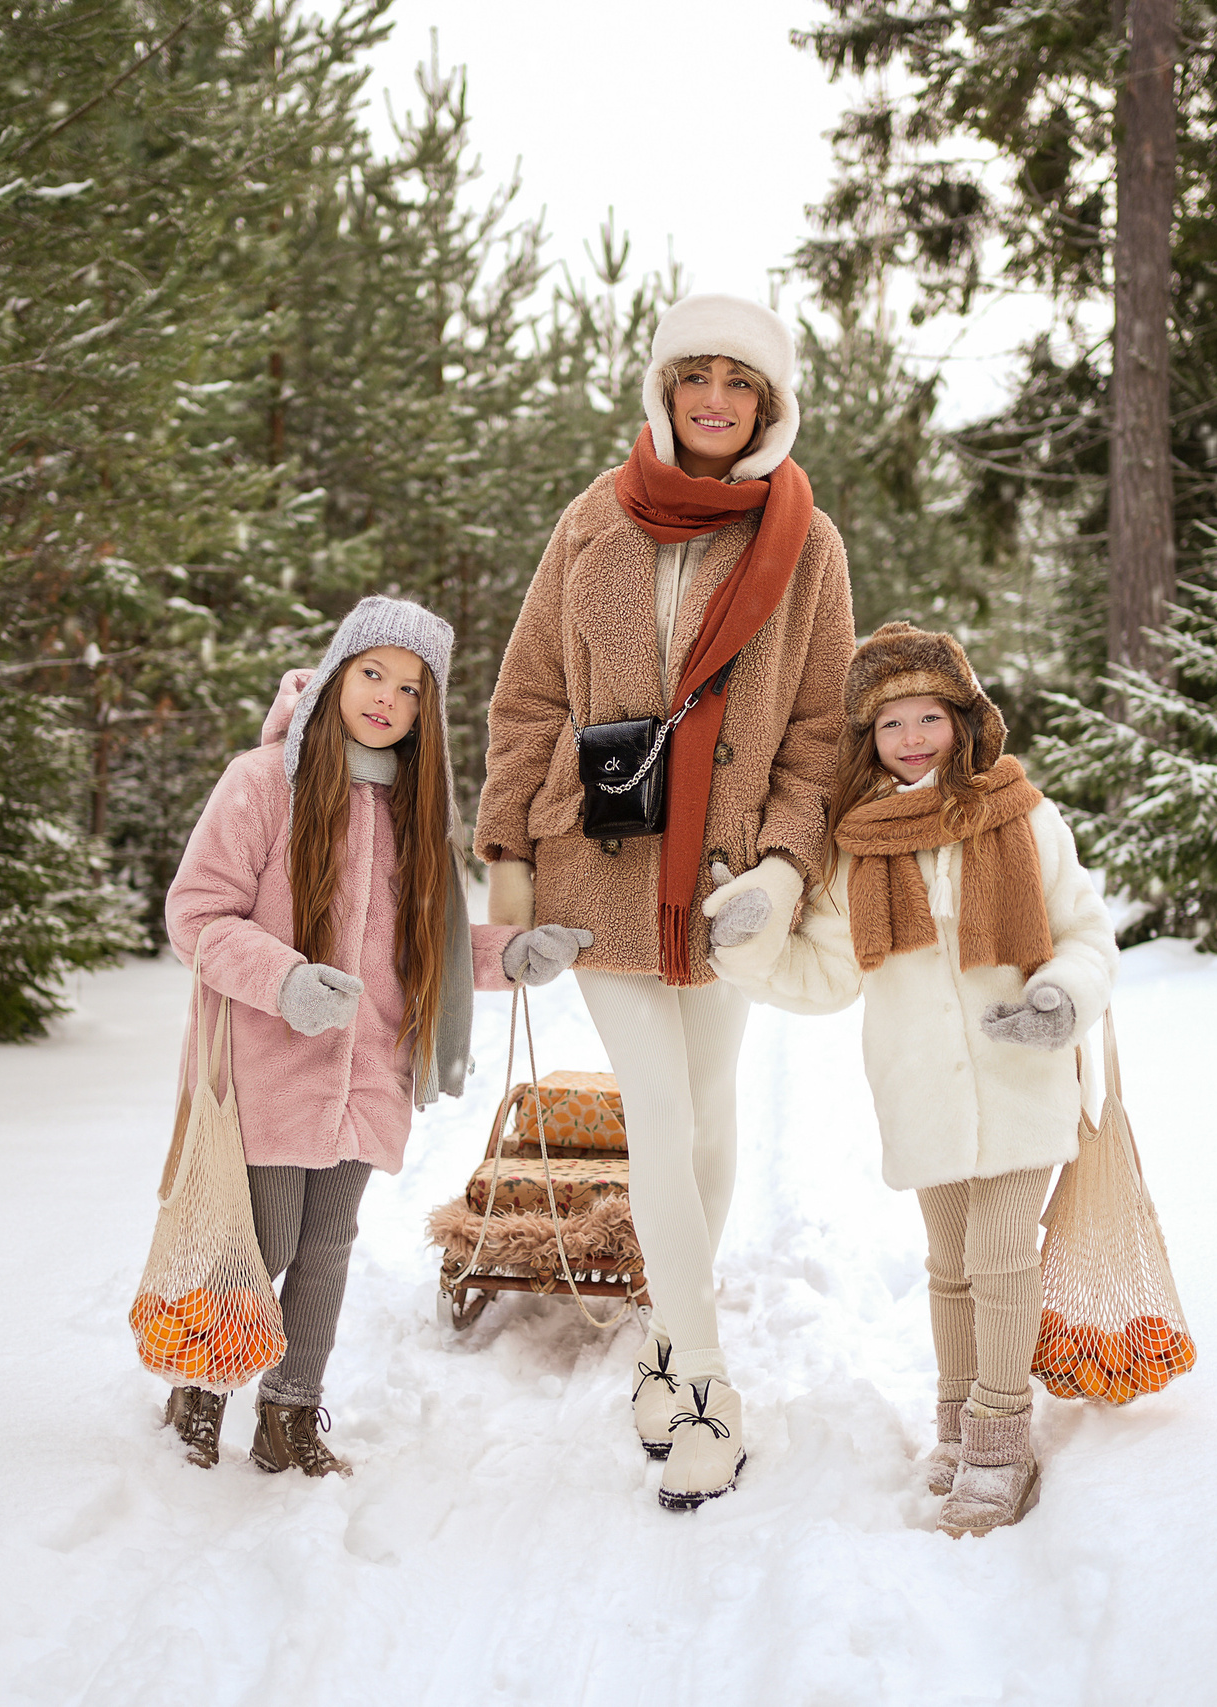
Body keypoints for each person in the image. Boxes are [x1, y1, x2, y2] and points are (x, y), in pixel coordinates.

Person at [475, 293, 855, 1509]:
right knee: (659, 1117)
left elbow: (822, 730)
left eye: (737, 383)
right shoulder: (591, 522)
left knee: (708, 1119)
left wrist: (788, 866)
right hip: (599, 872)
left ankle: (655, 1343)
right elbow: (526, 697)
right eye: (694, 376)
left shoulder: (810, 543)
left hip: (727, 885)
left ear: (768, 405)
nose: (713, 399)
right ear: (662, 390)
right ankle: (702, 1382)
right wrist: (508, 871)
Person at [705, 623, 1118, 1535]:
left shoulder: (1023, 816)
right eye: (892, 723)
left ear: (964, 721)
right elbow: (825, 970)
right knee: (951, 1267)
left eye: (930, 714)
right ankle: (957, 1419)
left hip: (1022, 1070)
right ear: (868, 739)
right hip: (920, 1089)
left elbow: (1086, 932)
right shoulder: (857, 848)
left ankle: (1003, 1441)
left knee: (1004, 1251)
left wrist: (1059, 996)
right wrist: (745, 947)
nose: (913, 737)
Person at [164, 597, 591, 1476]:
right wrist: (283, 979)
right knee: (268, 1240)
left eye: (411, 687)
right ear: (334, 673)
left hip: (368, 1070)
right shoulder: (261, 783)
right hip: (269, 1064)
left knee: (328, 1244)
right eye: (373, 673)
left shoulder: (414, 811)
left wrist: (514, 952)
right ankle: (199, 1384)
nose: (387, 698)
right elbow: (196, 917)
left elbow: (421, 949)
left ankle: (290, 1412)